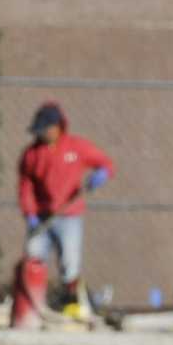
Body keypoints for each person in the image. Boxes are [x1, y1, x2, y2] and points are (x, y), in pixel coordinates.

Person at [17, 102, 114, 313]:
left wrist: (102, 174)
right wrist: (30, 214)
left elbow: (106, 163)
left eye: (45, 129)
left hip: (69, 215)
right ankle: (32, 303)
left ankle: (71, 302)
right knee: (33, 256)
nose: (41, 134)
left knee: (70, 262)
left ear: (57, 127)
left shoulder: (76, 147)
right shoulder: (32, 155)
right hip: (42, 217)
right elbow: (25, 188)